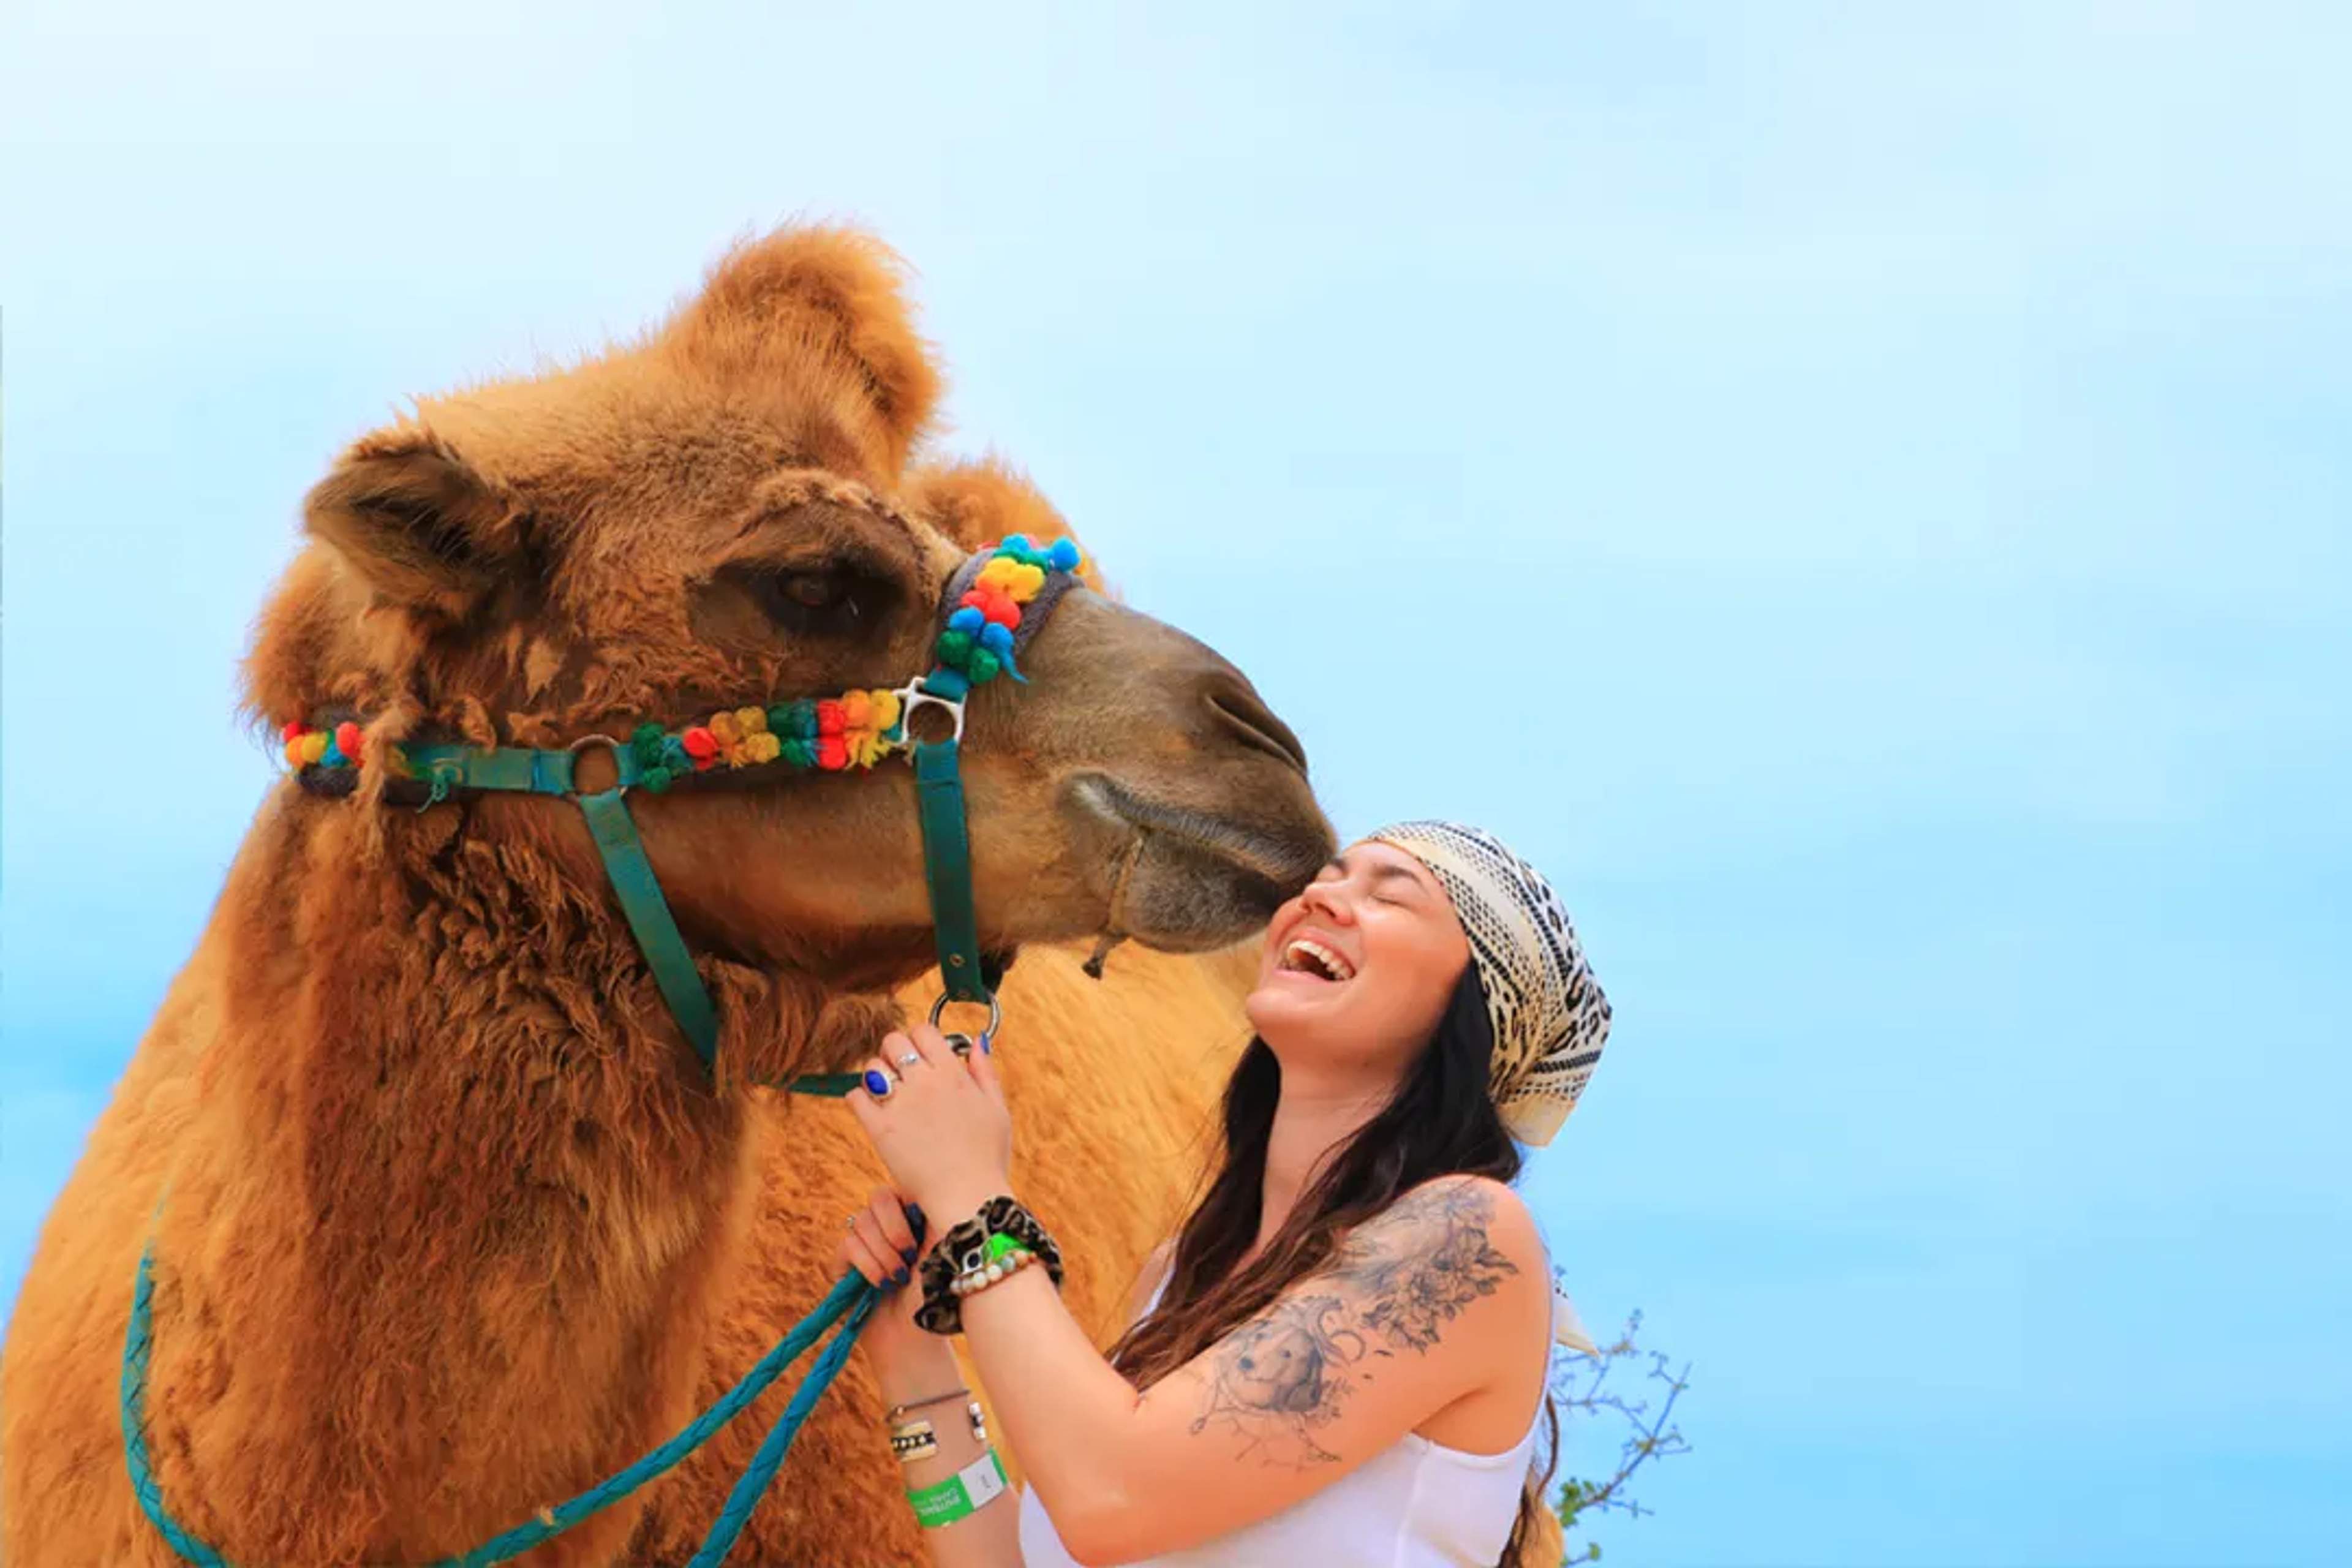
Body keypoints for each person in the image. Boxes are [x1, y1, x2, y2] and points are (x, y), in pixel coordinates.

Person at [837, 821, 1613, 1567]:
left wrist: (974, 1200)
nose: (1323, 897)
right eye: (1327, 877)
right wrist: (917, 1365)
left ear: (1473, 1006)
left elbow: (1112, 1496)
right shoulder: (1177, 1276)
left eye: (1392, 894)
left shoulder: (1469, 1237)